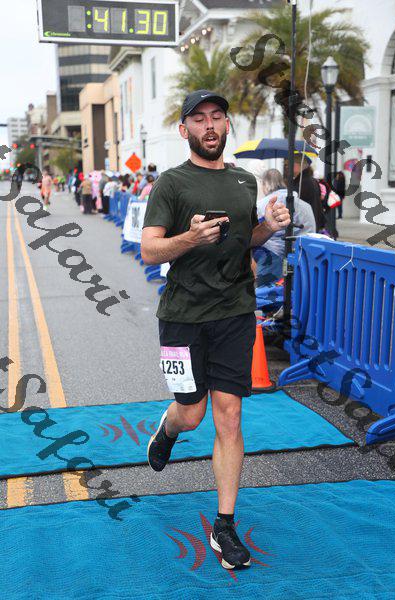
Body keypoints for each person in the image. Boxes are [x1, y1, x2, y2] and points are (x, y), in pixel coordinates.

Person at [141, 89, 290, 571]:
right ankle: (168, 428)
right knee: (193, 413)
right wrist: (189, 237)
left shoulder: (245, 181)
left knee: (229, 417)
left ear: (227, 126)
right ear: (184, 129)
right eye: (199, 118)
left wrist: (268, 226)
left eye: (217, 117)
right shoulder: (170, 184)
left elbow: (247, 239)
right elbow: (149, 250)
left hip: (233, 313)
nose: (209, 125)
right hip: (182, 316)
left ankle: (224, 525)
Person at [255, 169, 316, 287]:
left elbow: (253, 231)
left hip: (271, 258)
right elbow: (311, 229)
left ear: (266, 184)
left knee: (267, 293)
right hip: (302, 257)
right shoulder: (304, 205)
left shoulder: (264, 205)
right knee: (294, 292)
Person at [292, 154, 325, 232]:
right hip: (313, 222)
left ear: (298, 165)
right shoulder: (311, 180)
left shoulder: (303, 182)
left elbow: (297, 205)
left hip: (305, 225)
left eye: (290, 164)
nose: (288, 168)